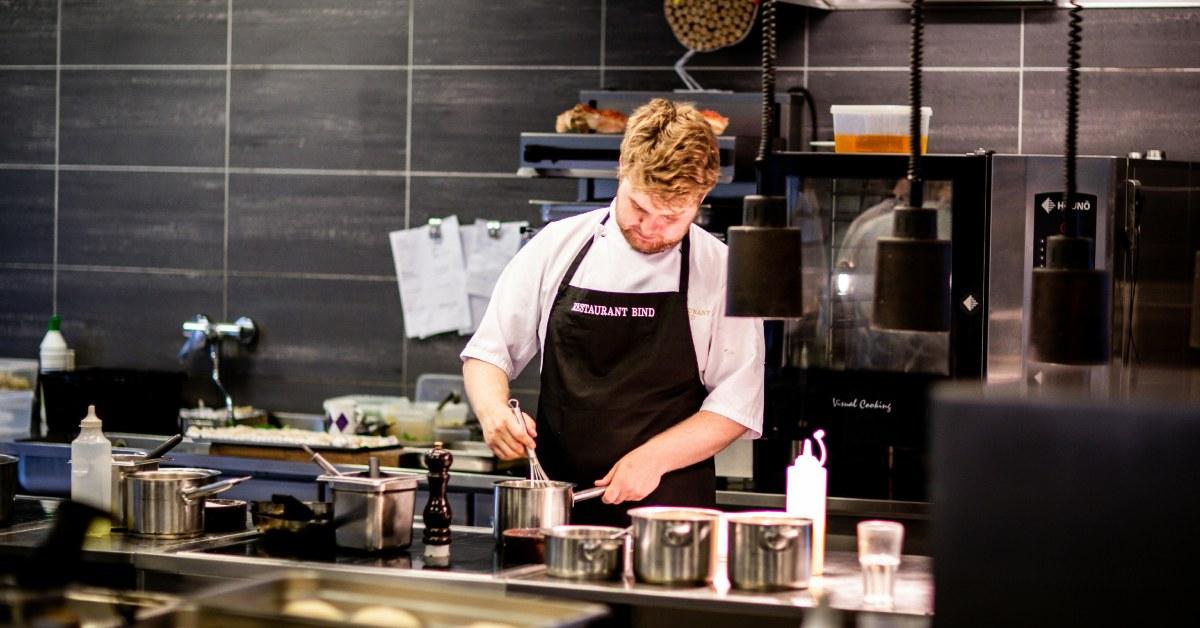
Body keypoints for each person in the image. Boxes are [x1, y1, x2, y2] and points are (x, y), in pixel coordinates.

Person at [461, 98, 765, 525]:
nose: (651, 228)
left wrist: (654, 458)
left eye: (672, 217)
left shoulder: (720, 270)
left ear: (702, 196)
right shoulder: (557, 247)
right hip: (558, 513)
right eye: (640, 208)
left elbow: (737, 404)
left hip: (671, 522)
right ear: (622, 167)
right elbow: (488, 354)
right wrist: (493, 411)